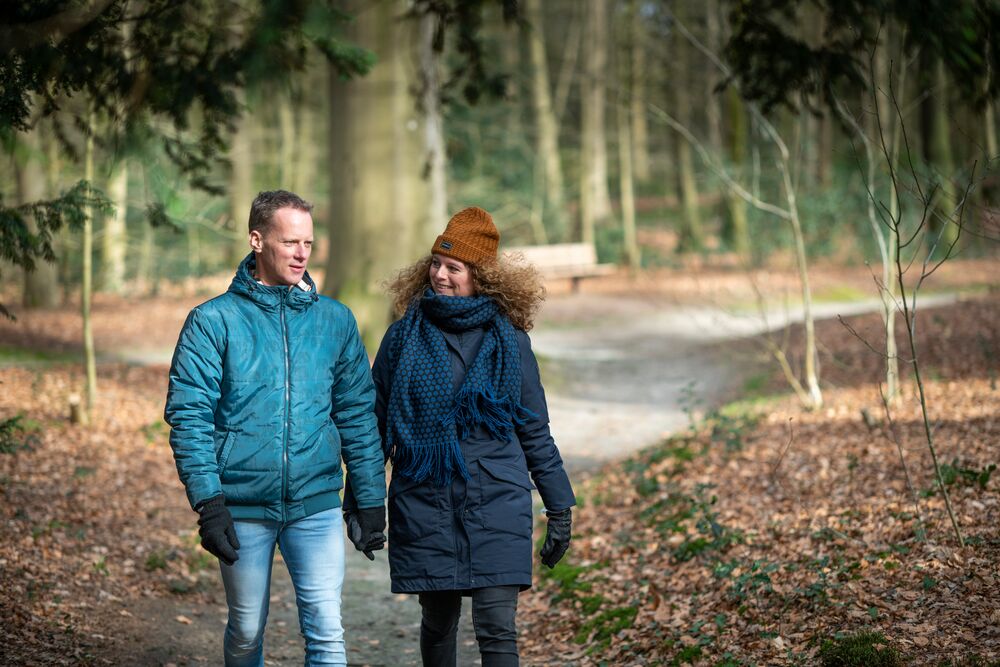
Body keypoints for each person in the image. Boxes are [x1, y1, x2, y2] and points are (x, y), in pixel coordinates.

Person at [164, 190, 387, 666]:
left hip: (317, 503)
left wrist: (369, 498)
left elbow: (357, 414)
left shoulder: (336, 320)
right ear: (257, 240)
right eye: (290, 242)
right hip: (242, 505)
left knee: (327, 631)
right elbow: (189, 417)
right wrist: (209, 503)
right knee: (245, 631)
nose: (302, 253)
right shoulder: (212, 322)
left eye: (308, 242)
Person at [345, 206, 575, 666]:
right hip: (424, 500)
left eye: (454, 267)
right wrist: (362, 504)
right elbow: (373, 428)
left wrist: (560, 507)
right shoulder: (401, 338)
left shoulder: (510, 341)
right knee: (438, 622)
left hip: (497, 501)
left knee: (495, 627)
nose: (440, 276)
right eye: (435, 263)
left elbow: (534, 430)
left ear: (482, 278)